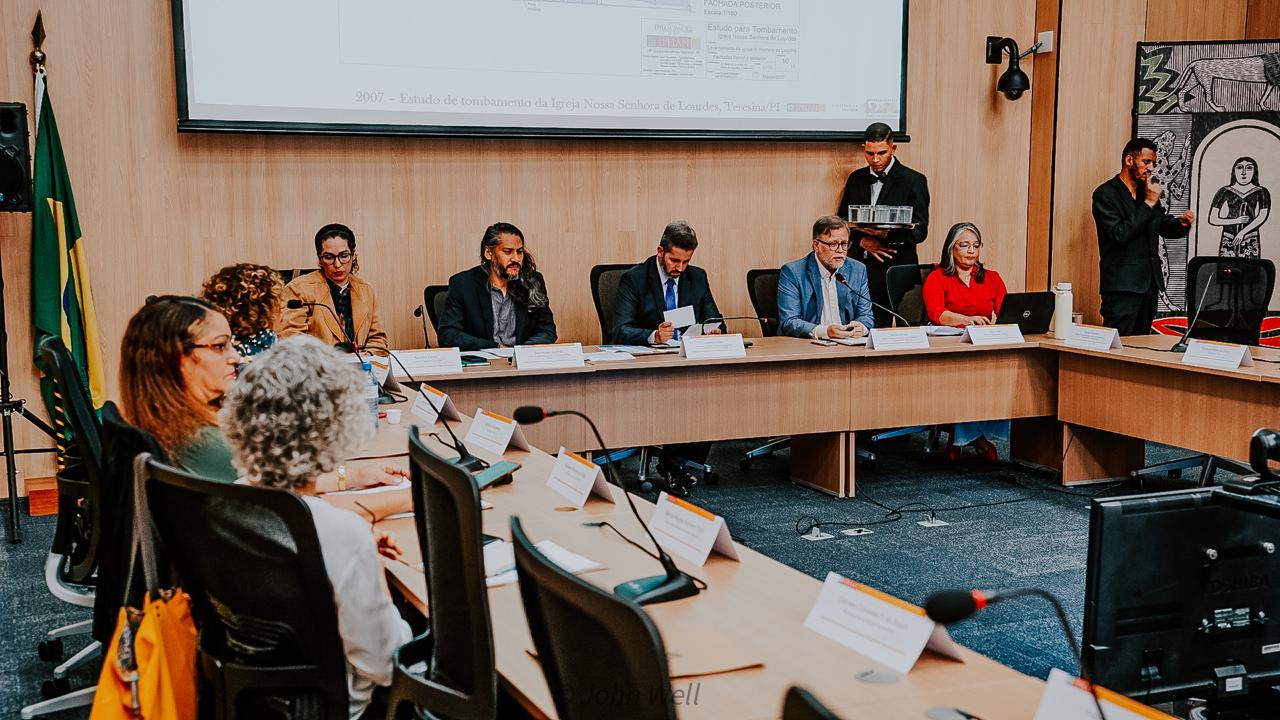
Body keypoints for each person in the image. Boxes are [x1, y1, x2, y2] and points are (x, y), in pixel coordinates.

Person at [220, 336, 412, 720]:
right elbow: (385, 664)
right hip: (338, 706)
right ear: (335, 431)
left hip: (249, 696)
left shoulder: (225, 501)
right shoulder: (340, 532)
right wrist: (372, 568)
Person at [612, 221, 721, 495]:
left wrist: (713, 330)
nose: (679, 268)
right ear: (660, 251)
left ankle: (681, 462)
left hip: (687, 357)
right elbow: (620, 329)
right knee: (681, 391)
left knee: (713, 387)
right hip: (649, 363)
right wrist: (653, 336)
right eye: (674, 260)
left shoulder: (697, 277)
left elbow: (714, 318)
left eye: (686, 261)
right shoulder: (634, 278)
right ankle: (674, 464)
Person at [119, 295, 241, 481]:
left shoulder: (148, 423)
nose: (236, 357)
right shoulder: (207, 444)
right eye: (219, 346)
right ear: (176, 359)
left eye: (231, 344)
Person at [922, 223, 1009, 462]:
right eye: (965, 245)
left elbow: (1006, 312)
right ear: (952, 249)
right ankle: (968, 435)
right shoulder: (937, 277)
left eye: (976, 245)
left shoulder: (992, 278)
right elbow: (937, 313)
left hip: (983, 343)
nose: (971, 251)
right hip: (951, 344)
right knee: (965, 375)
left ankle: (968, 434)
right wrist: (966, 320)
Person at [1092, 137, 1194, 336]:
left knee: (1142, 346)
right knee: (1117, 346)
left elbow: (1161, 225)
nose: (1151, 168)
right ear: (1129, 160)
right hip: (1122, 287)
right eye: (1146, 162)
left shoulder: (1145, 192)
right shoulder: (1105, 194)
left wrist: (1181, 225)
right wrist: (1148, 203)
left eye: (1153, 163)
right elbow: (1119, 234)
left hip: (1149, 285)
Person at [836, 122, 931, 327]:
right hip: (864, 269)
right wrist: (862, 241)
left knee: (909, 331)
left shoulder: (914, 180)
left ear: (893, 148)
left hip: (900, 269)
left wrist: (885, 235)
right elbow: (841, 222)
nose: (876, 159)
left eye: (881, 153)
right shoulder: (856, 178)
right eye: (870, 153)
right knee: (871, 329)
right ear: (864, 150)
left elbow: (920, 231)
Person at [438, 222, 557, 350]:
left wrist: (521, 352)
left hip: (521, 362)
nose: (516, 259)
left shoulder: (532, 280)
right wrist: (497, 348)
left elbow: (548, 331)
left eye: (520, 252)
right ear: (489, 253)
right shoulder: (463, 284)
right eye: (507, 252)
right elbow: (448, 335)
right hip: (483, 362)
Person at [281, 223, 389, 354]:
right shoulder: (297, 289)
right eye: (329, 257)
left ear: (353, 255)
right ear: (320, 259)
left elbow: (378, 339)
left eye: (344, 256)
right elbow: (291, 339)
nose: (337, 264)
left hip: (360, 369)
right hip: (318, 370)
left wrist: (369, 354)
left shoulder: (366, 290)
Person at [777, 216, 875, 339]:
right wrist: (825, 332)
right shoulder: (793, 272)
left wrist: (861, 327)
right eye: (833, 244)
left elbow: (866, 316)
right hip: (809, 346)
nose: (840, 250)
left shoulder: (857, 270)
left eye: (844, 244)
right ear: (816, 245)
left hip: (849, 345)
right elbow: (789, 322)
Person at [200, 263, 285, 359]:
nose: (282, 312)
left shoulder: (209, 348)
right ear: (267, 309)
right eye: (279, 304)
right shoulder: (269, 344)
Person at [1208, 156, 1270, 258]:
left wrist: (1242, 233)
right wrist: (1236, 220)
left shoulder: (1261, 191)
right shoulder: (1224, 191)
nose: (1243, 173)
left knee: (1250, 269)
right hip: (1228, 237)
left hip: (1250, 237)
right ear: (1234, 171)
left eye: (1249, 168)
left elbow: (1262, 216)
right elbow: (1212, 219)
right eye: (1239, 168)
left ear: (1255, 171)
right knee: (1226, 269)